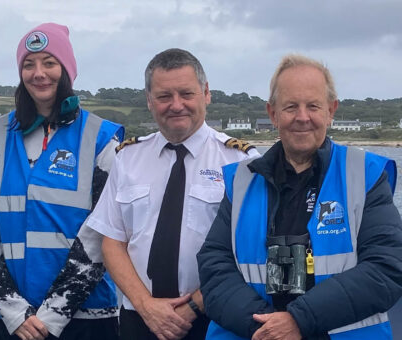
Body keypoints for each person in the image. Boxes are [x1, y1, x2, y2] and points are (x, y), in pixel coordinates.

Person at [197, 54, 402, 339]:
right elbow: (214, 267)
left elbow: (387, 267)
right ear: (273, 114)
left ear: (331, 111)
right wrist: (267, 328)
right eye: (291, 106)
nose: (302, 117)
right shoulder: (241, 180)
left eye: (313, 106)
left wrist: (298, 320)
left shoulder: (365, 174)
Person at [85, 48, 259, 340]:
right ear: (149, 101)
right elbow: (112, 242)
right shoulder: (127, 158)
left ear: (206, 93)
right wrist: (146, 306)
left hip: (214, 317)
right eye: (164, 96)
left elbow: (249, 250)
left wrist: (193, 305)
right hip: (139, 318)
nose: (176, 105)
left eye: (186, 94)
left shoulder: (240, 162)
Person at [0, 22, 124, 340]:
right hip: (11, 319)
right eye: (29, 64)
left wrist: (54, 313)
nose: (38, 73)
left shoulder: (102, 139)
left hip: (87, 315)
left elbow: (102, 228)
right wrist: (12, 309)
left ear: (66, 69)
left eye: (49, 62)